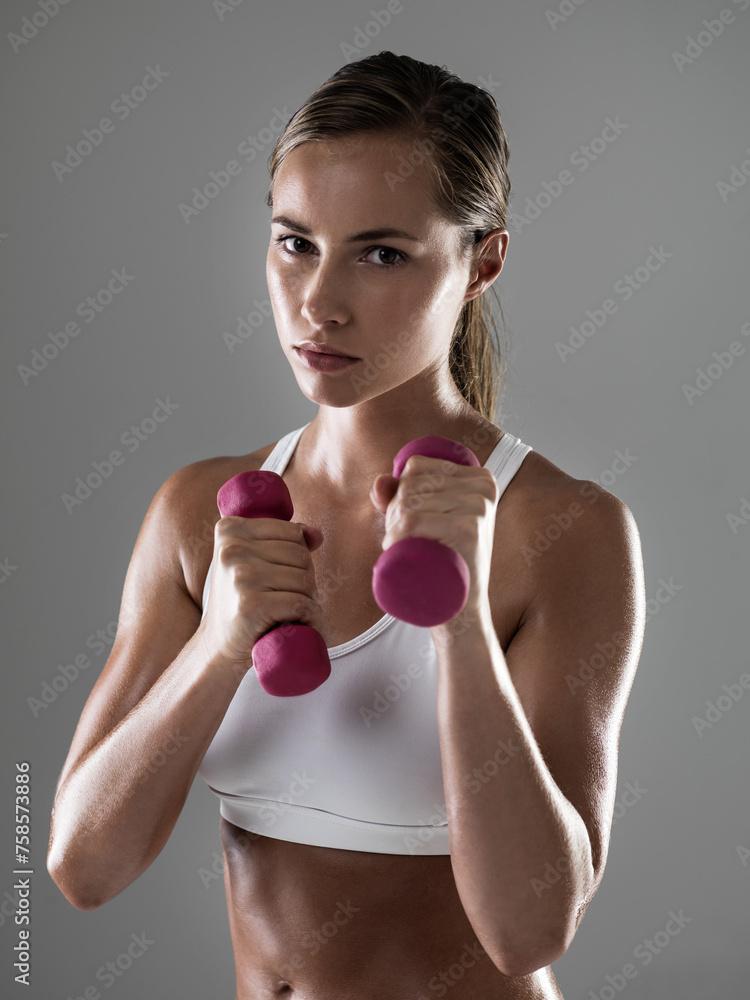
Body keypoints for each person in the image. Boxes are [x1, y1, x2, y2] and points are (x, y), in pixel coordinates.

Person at [47, 51, 645, 999]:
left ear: (482, 260)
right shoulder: (202, 513)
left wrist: (458, 628)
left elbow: (529, 931)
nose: (318, 303)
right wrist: (218, 646)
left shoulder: (565, 530)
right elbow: (83, 869)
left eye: (381, 253)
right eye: (295, 243)